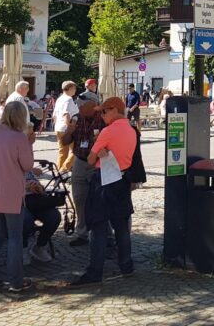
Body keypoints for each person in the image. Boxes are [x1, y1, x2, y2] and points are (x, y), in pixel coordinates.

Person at [71, 97, 137, 286]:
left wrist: (97, 153)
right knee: (122, 226)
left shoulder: (108, 131)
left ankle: (95, 272)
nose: (102, 115)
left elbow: (91, 159)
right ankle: (126, 265)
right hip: (122, 179)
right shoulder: (132, 130)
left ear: (114, 110)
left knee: (98, 228)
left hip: (104, 180)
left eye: (104, 112)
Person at [0, 101, 35, 293]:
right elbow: (27, 165)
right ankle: (15, 281)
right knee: (14, 237)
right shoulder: (19, 137)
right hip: (11, 193)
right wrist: (30, 144)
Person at [68, 99, 106, 246]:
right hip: (79, 161)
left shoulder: (103, 119)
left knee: (100, 199)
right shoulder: (76, 118)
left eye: (82, 106)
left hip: (97, 163)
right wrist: (69, 131)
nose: (79, 108)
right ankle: (82, 233)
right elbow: (65, 141)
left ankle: (104, 235)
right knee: (79, 198)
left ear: (92, 106)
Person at [53, 81, 79, 173]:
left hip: (58, 127)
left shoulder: (59, 99)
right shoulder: (68, 99)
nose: (75, 90)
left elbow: (54, 116)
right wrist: (69, 127)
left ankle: (59, 172)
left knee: (62, 152)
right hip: (66, 128)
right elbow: (66, 114)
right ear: (70, 88)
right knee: (75, 151)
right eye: (74, 88)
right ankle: (63, 170)